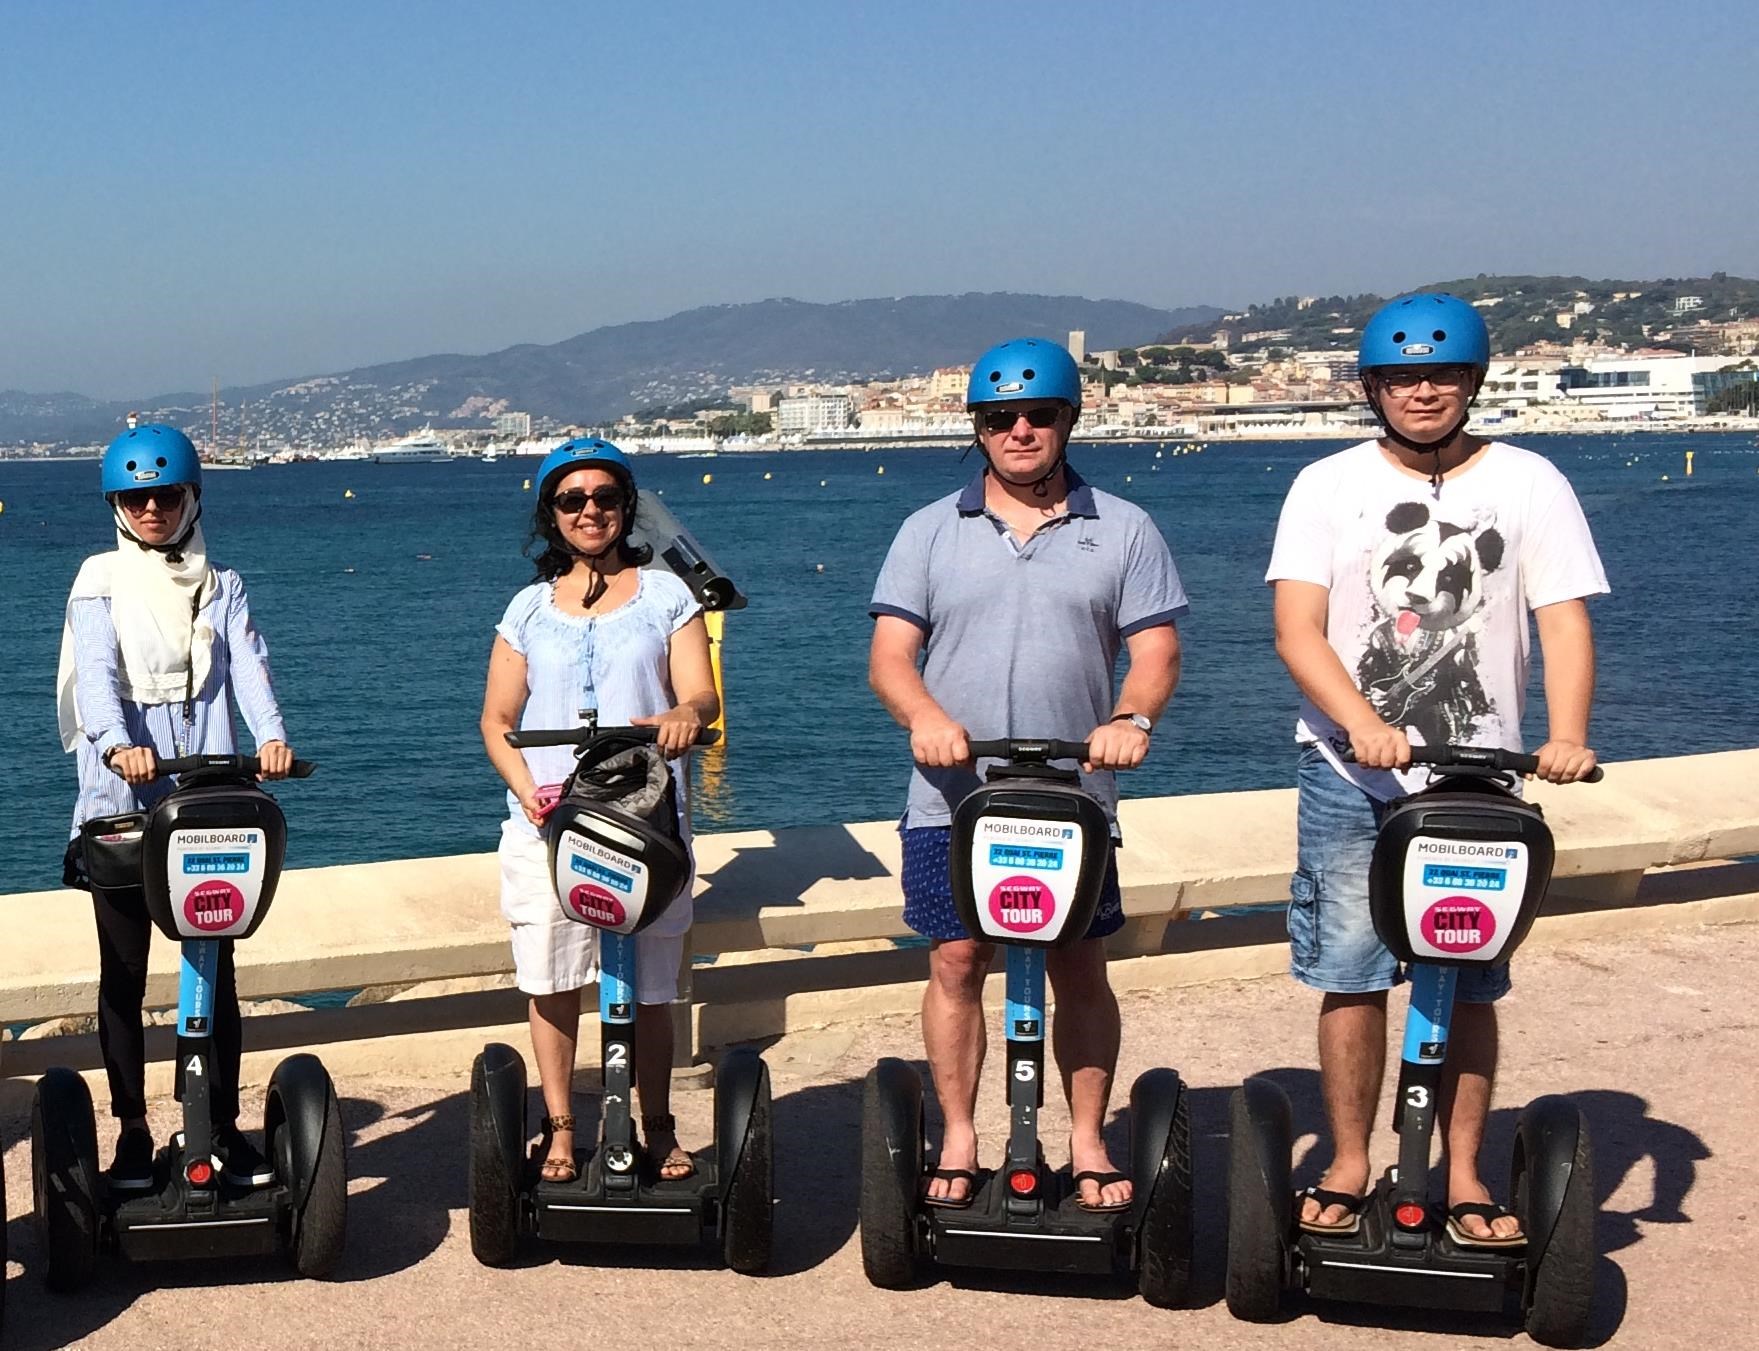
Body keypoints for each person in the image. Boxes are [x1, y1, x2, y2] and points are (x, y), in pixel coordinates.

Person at [1265, 293, 1607, 1246]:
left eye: (1442, 375)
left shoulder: (1531, 482)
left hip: (1480, 779)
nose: (1423, 391)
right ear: (1373, 388)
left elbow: (1564, 616)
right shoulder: (1325, 485)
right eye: (1403, 377)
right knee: (1351, 971)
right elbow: (1297, 626)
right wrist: (1362, 723)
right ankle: (1345, 1159)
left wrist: (1567, 733)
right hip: (1348, 773)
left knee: (1466, 977)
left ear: (1472, 382)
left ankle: (1460, 1171)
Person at [868, 337, 1188, 1211]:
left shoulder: (1122, 526)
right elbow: (891, 656)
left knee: (1079, 964)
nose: (1018, 431)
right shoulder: (928, 529)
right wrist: (926, 717)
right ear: (975, 428)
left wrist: (1129, 718)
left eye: (1037, 415)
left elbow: (1154, 649)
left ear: (1068, 419)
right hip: (951, 796)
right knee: (956, 957)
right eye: (998, 418)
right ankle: (963, 1133)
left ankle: (1086, 1138)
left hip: (1072, 797)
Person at [56, 423, 295, 1190]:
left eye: (166, 494)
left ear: (192, 496)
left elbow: (249, 667)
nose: (152, 507)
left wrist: (275, 738)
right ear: (117, 505)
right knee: (124, 973)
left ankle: (220, 1125)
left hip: (209, 792)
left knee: (213, 967)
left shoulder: (222, 584)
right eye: (137, 496)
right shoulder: (99, 580)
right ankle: (131, 1131)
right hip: (125, 797)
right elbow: (95, 674)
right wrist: (115, 742)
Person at [480, 438, 718, 1183]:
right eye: (572, 500)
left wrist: (683, 714)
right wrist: (527, 787)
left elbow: (700, 693)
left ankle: (655, 1124)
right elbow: (496, 717)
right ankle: (559, 1127)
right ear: (551, 515)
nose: (591, 511)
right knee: (551, 980)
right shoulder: (526, 609)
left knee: (650, 987)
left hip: (642, 824)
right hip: (549, 824)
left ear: (627, 507)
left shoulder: (666, 597)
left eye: (605, 498)